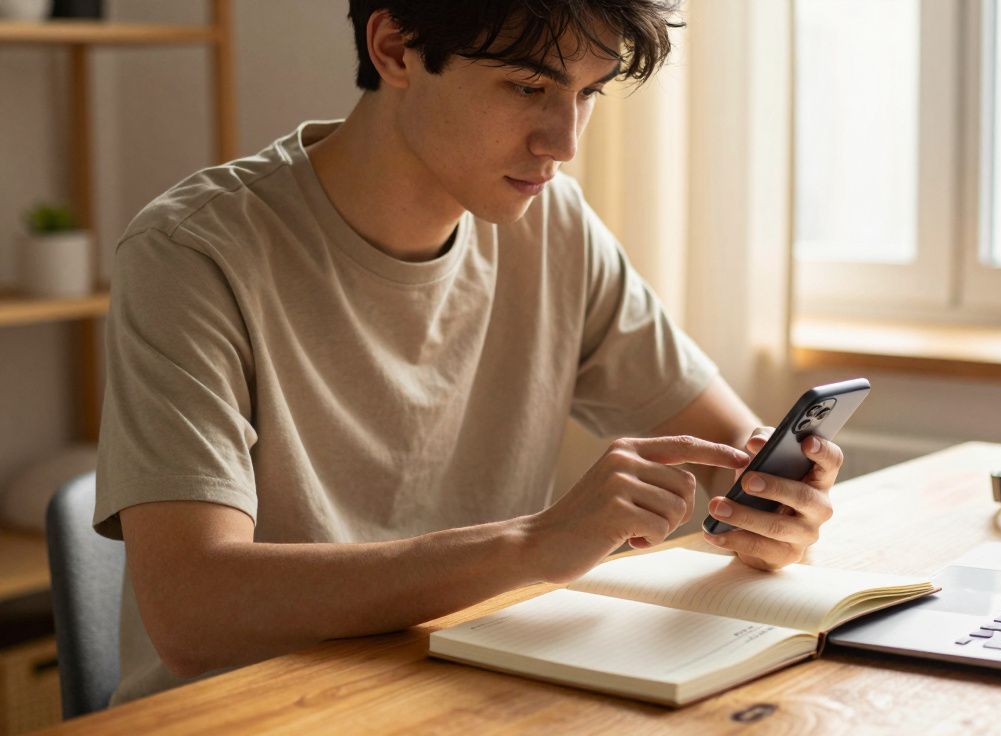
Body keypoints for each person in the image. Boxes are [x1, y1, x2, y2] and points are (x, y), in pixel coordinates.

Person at [93, 0, 846, 705]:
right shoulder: (191, 252)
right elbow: (191, 613)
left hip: (462, 692)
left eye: (587, 94)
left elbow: (726, 451)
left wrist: (777, 510)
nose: (564, 143)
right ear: (394, 49)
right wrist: (531, 543)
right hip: (249, 710)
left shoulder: (555, 226)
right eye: (527, 86)